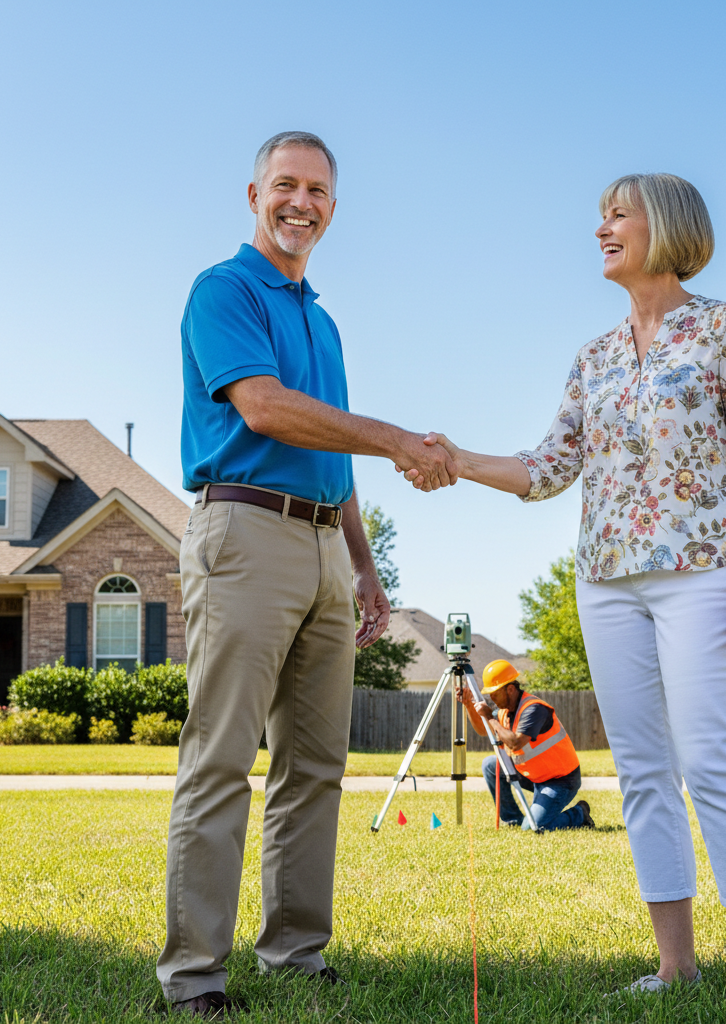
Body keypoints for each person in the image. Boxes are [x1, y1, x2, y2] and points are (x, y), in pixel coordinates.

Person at [403, 173, 726, 1014]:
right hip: (608, 581)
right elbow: (548, 467)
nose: (601, 230)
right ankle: (675, 965)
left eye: (618, 215)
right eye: (600, 217)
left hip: (707, 572)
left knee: (712, 759)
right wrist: (457, 458)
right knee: (645, 770)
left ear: (669, 227)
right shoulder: (596, 357)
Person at [158, 131, 456, 1017]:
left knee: (315, 765)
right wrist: (400, 437)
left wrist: (364, 566)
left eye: (318, 190)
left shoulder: (321, 318)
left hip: (326, 545)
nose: (301, 202)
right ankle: (194, 978)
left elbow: (332, 449)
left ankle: (295, 953)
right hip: (243, 533)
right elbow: (267, 408)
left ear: (333, 205)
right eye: (285, 185)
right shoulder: (224, 290)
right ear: (253, 194)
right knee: (221, 759)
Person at [462, 658, 594, 830]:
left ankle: (579, 814)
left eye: (494, 692)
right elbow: (482, 730)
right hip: (532, 776)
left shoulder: (534, 709)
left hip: (559, 781)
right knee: (489, 765)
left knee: (534, 827)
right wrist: (469, 706)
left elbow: (516, 743)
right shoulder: (503, 711)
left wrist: (489, 717)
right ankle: (512, 819)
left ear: (510, 689)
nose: (490, 697)